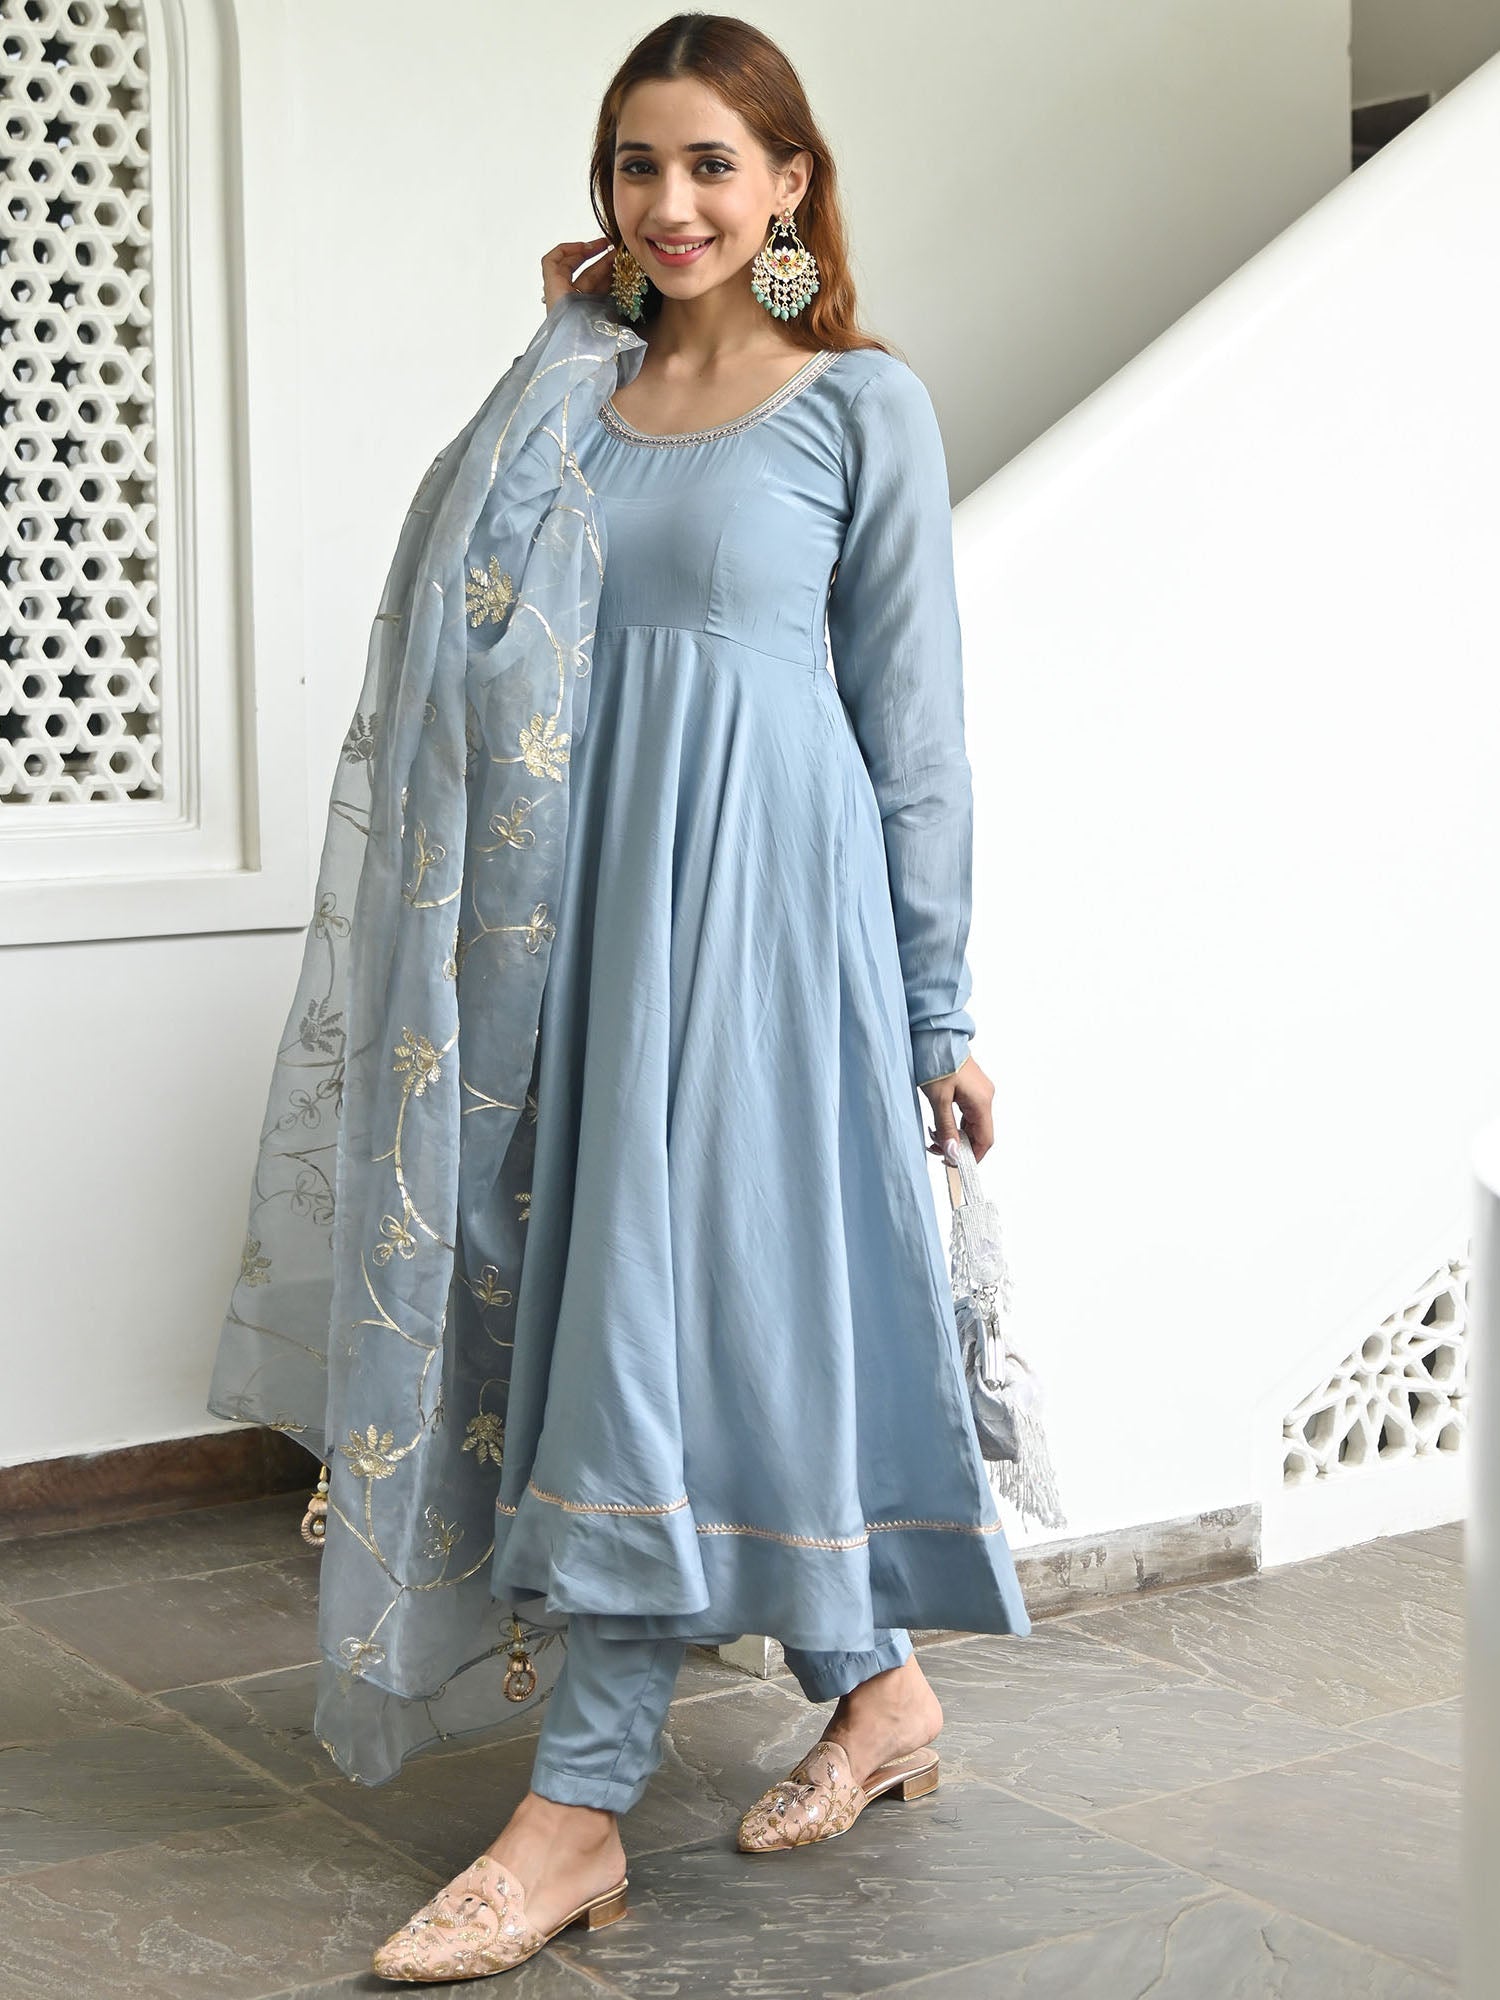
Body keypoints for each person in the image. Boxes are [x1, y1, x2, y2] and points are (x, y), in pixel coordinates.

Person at [209, 11, 1031, 1985]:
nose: (672, 203)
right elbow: (460, 596)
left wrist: (936, 1008)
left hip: (769, 928)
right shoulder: (579, 400)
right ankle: (882, 1694)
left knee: (667, 1323)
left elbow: (916, 732)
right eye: (635, 167)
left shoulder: (860, 409)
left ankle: (575, 1812)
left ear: (790, 184)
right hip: (584, 927)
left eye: (712, 165)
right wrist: (564, 340)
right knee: (664, 1321)